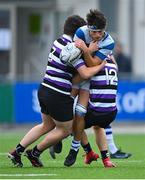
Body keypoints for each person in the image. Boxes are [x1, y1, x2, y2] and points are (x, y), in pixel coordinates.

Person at [8, 15, 105, 167]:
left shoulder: (58, 41)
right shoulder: (74, 48)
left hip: (45, 88)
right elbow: (84, 74)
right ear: (79, 32)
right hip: (58, 93)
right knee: (65, 130)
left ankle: (16, 152)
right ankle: (34, 153)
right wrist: (98, 62)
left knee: (46, 126)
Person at [64, 9, 117, 167]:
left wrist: (86, 50)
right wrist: (89, 54)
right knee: (65, 106)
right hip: (76, 70)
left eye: (101, 32)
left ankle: (74, 150)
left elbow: (93, 64)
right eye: (94, 32)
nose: (98, 36)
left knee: (79, 113)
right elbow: (77, 59)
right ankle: (58, 139)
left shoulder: (109, 42)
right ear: (88, 28)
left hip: (89, 76)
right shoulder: (80, 32)